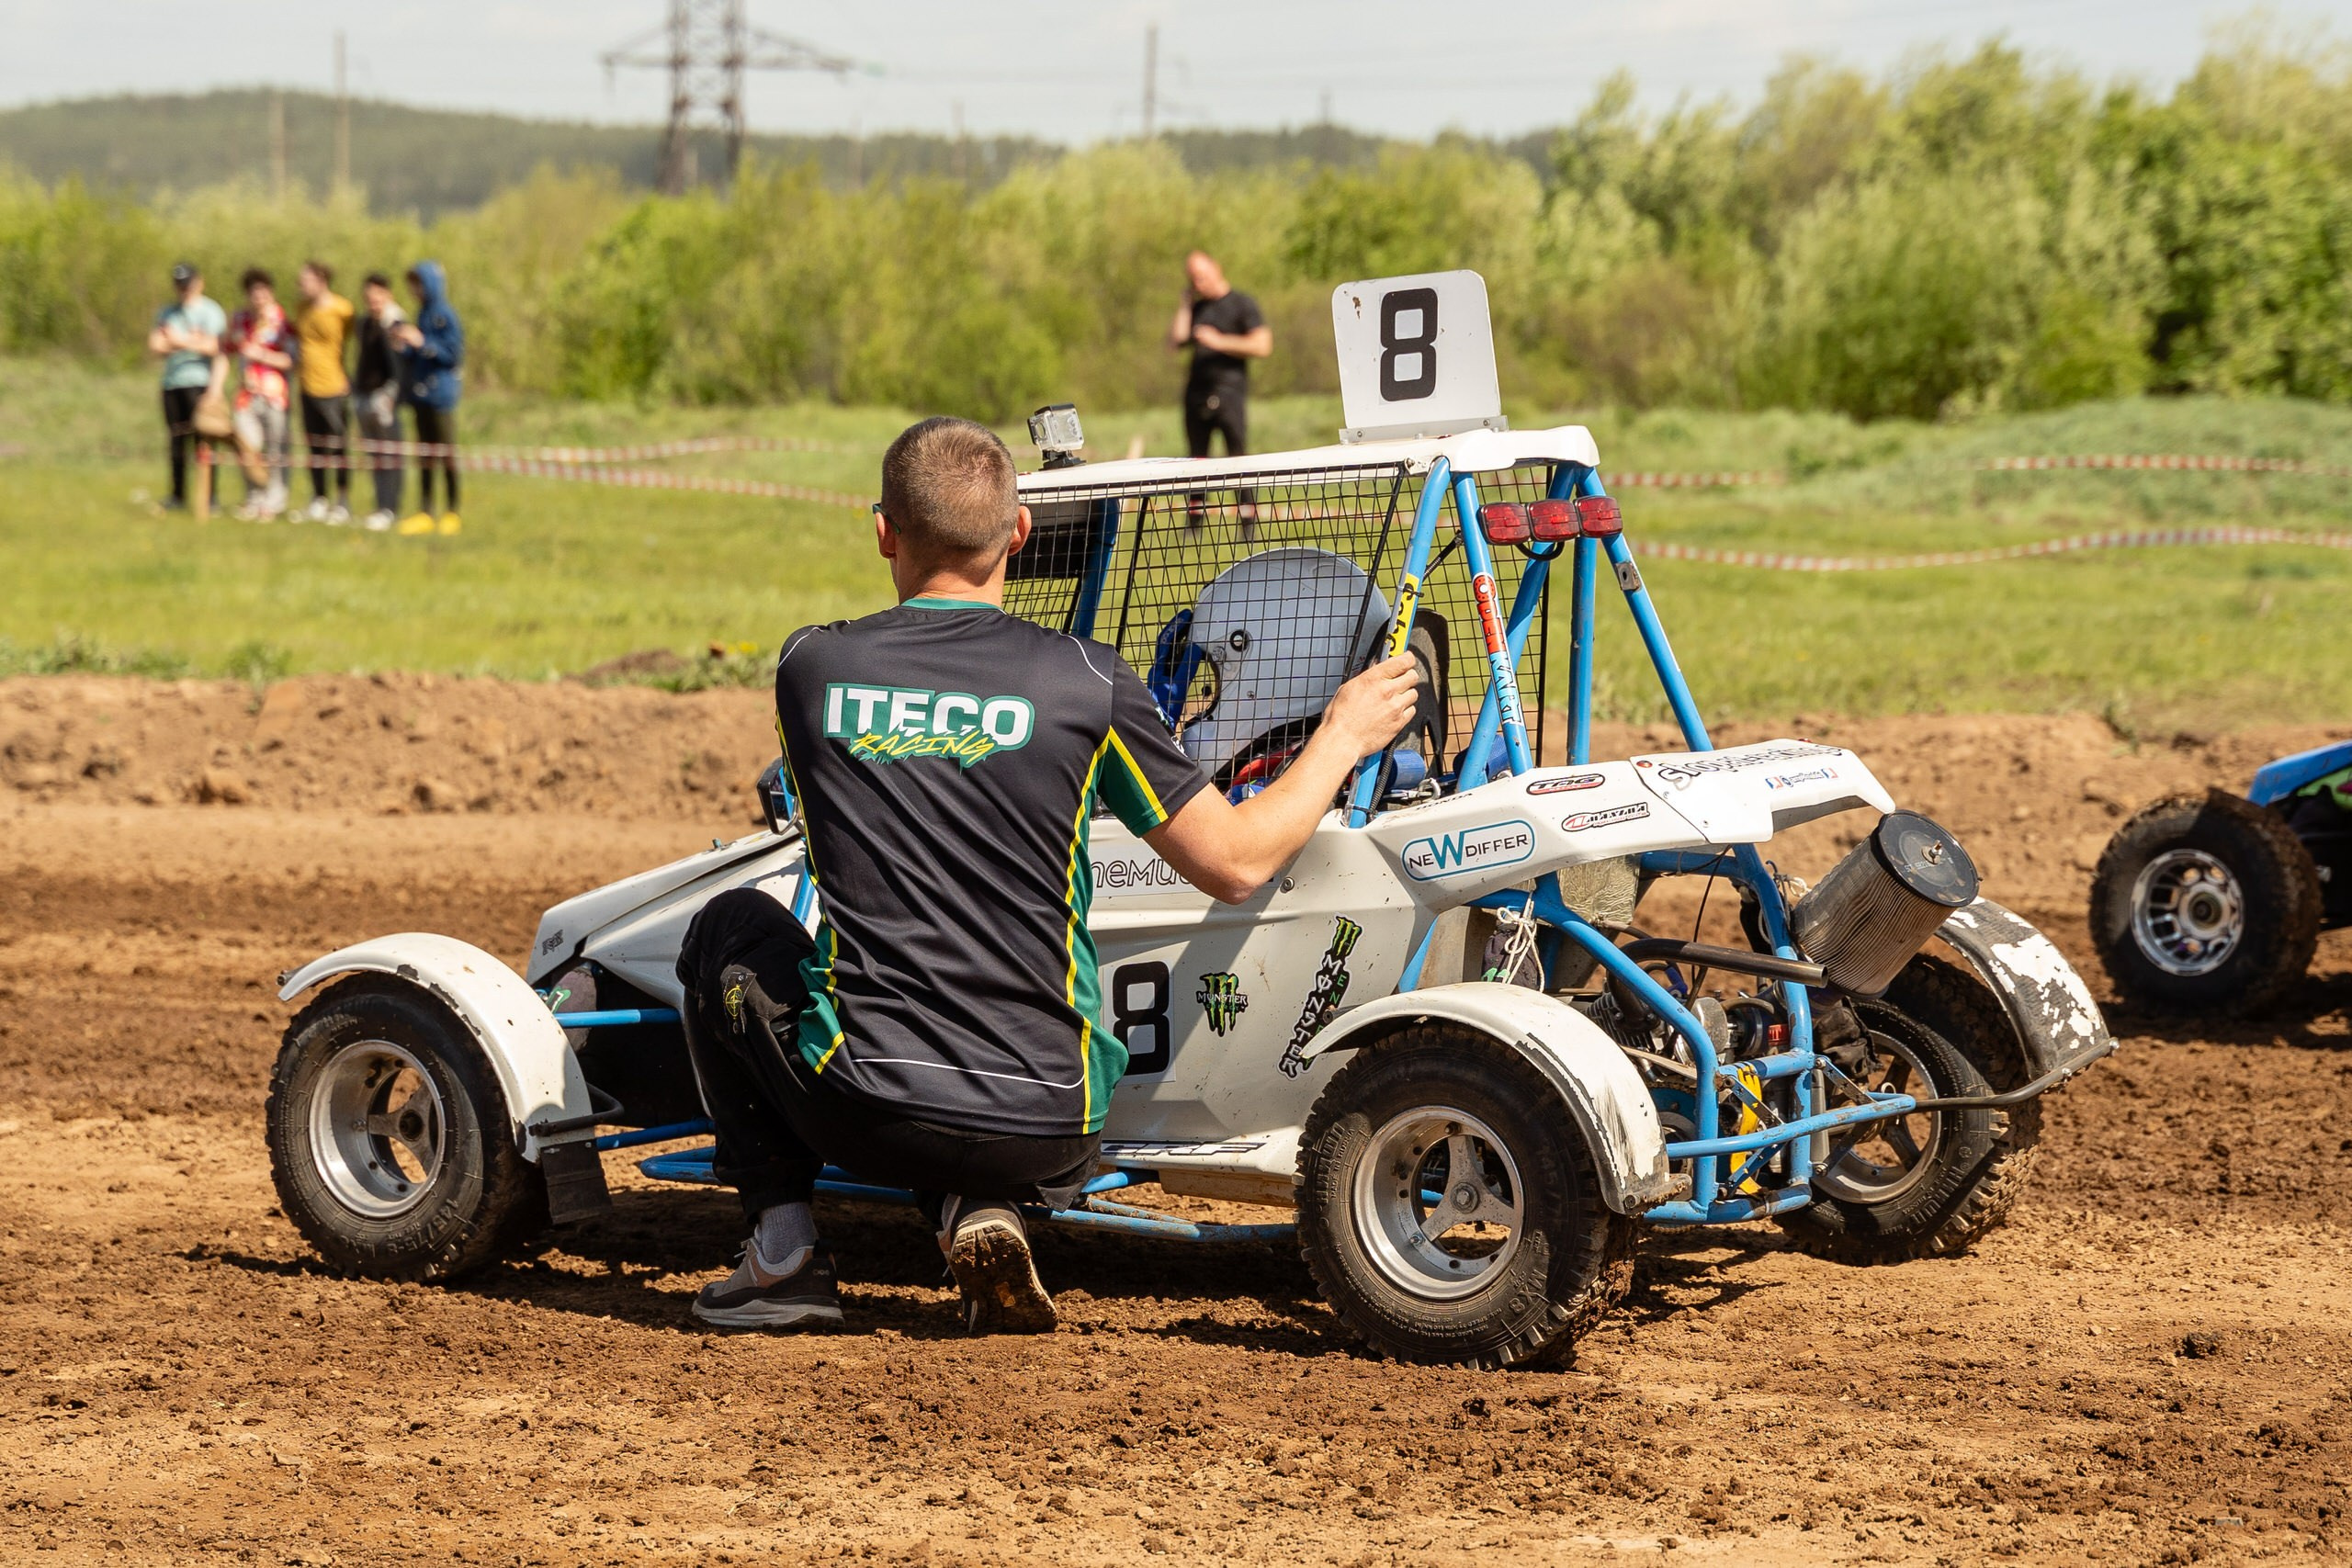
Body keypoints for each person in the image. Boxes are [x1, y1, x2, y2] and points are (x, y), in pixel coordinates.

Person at [686, 416, 1420, 1333]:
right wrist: (1344, 734)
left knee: (727, 932)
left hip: (871, 1105)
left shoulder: (812, 668)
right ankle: (974, 1204)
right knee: (966, 1032)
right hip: (1053, 1121)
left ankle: (783, 1254)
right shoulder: (1090, 684)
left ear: (883, 532)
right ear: (1020, 533)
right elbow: (1236, 864)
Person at [1167, 249, 1270, 524]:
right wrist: (1185, 304)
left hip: (1230, 393)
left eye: (1202, 276)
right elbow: (1176, 341)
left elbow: (1262, 345)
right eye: (1193, 279)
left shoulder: (1242, 304)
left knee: (1237, 458)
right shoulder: (1198, 308)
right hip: (1196, 394)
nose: (1198, 283)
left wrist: (1219, 341)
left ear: (1216, 268)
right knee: (1197, 461)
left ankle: (1248, 521)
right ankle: (1194, 523)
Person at [391, 260, 464, 536]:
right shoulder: (421, 313)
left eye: (418, 284)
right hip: (420, 395)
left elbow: (453, 354)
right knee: (425, 455)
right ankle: (425, 510)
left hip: (441, 396)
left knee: (446, 454)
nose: (415, 291)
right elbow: (417, 356)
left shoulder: (445, 315)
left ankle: (452, 511)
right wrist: (403, 345)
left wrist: (423, 343)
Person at [145, 263, 224, 512]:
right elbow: (156, 346)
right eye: (179, 284)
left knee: (205, 440)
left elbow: (214, 347)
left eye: (187, 283)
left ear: (199, 282)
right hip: (172, 384)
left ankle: (209, 498)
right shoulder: (167, 312)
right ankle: (178, 495)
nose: (183, 289)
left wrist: (177, 340)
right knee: (176, 440)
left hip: (199, 383)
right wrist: (192, 342)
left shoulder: (211, 311)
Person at [222, 267, 296, 522]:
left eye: (263, 291)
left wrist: (262, 355)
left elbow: (291, 359)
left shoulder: (282, 320)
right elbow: (227, 349)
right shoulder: (240, 320)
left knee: (276, 450)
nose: (258, 296)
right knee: (247, 449)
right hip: (246, 395)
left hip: (275, 395)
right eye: (253, 292)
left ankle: (274, 501)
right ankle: (253, 498)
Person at [293, 261, 356, 524]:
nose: (301, 286)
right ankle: (319, 497)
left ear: (321, 280)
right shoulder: (302, 309)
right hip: (307, 386)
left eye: (305, 280)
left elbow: (351, 342)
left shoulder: (343, 310)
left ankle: (342, 500)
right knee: (314, 447)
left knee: (338, 445)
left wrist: (347, 376)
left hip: (333, 386)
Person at [352, 272, 406, 530]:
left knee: (391, 455)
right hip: (364, 397)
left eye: (377, 295)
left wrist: (392, 396)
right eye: (368, 296)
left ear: (388, 295)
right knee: (375, 456)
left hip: (385, 398)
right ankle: (379, 505)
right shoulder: (364, 323)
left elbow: (400, 367)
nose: (372, 300)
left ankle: (390, 508)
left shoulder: (395, 322)